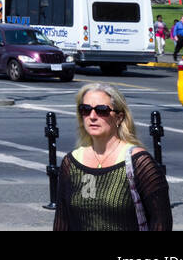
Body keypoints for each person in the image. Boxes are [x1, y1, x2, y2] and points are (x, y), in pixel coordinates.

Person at [53, 83, 171, 231]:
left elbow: (161, 223)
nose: (92, 116)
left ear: (119, 117)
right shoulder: (71, 162)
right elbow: (61, 221)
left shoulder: (140, 162)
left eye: (102, 110)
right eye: (85, 110)